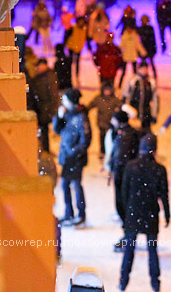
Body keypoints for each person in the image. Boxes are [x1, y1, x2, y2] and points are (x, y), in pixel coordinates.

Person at [119, 134, 170, 292]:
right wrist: (167, 214)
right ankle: (156, 287)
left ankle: (122, 284)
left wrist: (126, 213)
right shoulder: (159, 169)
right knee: (152, 250)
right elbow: (164, 194)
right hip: (151, 214)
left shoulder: (130, 166)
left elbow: (124, 193)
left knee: (129, 250)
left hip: (133, 213)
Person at [55, 89, 90, 227]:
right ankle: (69, 212)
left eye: (65, 100)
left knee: (76, 185)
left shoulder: (81, 117)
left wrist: (75, 152)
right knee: (65, 185)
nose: (63, 102)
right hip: (67, 156)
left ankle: (81, 214)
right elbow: (57, 130)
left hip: (75, 158)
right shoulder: (67, 115)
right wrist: (59, 117)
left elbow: (86, 139)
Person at [106, 110, 140, 250]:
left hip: (124, 177)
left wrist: (116, 172)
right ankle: (128, 235)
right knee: (125, 206)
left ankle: (129, 236)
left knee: (124, 205)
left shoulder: (125, 136)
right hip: (125, 176)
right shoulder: (125, 134)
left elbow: (121, 158)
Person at [27, 58, 59, 152]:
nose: (38, 68)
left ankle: (45, 151)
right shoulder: (41, 77)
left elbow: (53, 96)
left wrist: (50, 110)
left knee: (43, 131)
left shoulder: (48, 77)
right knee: (42, 132)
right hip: (41, 108)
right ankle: (44, 150)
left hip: (44, 109)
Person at [86, 83, 123, 159]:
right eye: (105, 90)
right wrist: (84, 110)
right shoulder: (99, 99)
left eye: (108, 90)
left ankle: (111, 151)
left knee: (111, 138)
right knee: (102, 138)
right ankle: (103, 151)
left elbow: (120, 106)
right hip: (101, 122)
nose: (107, 92)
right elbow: (90, 106)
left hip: (111, 123)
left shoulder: (114, 100)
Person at [122, 62, 159, 133]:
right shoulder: (133, 81)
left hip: (146, 111)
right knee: (133, 133)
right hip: (134, 110)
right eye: (142, 69)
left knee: (146, 132)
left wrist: (154, 115)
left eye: (145, 69)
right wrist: (126, 111)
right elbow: (126, 95)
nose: (144, 71)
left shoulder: (151, 82)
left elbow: (155, 99)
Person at [65, 17, 88, 87]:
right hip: (71, 47)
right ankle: (69, 77)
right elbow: (66, 37)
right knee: (70, 63)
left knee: (77, 63)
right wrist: (64, 46)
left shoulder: (85, 29)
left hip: (79, 48)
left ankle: (77, 77)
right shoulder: (73, 28)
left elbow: (86, 38)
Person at [137, 15, 159, 79]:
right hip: (143, 50)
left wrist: (154, 49)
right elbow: (138, 41)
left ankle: (154, 77)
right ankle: (143, 77)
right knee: (143, 65)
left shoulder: (150, 29)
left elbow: (153, 40)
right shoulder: (140, 29)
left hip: (150, 49)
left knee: (151, 64)